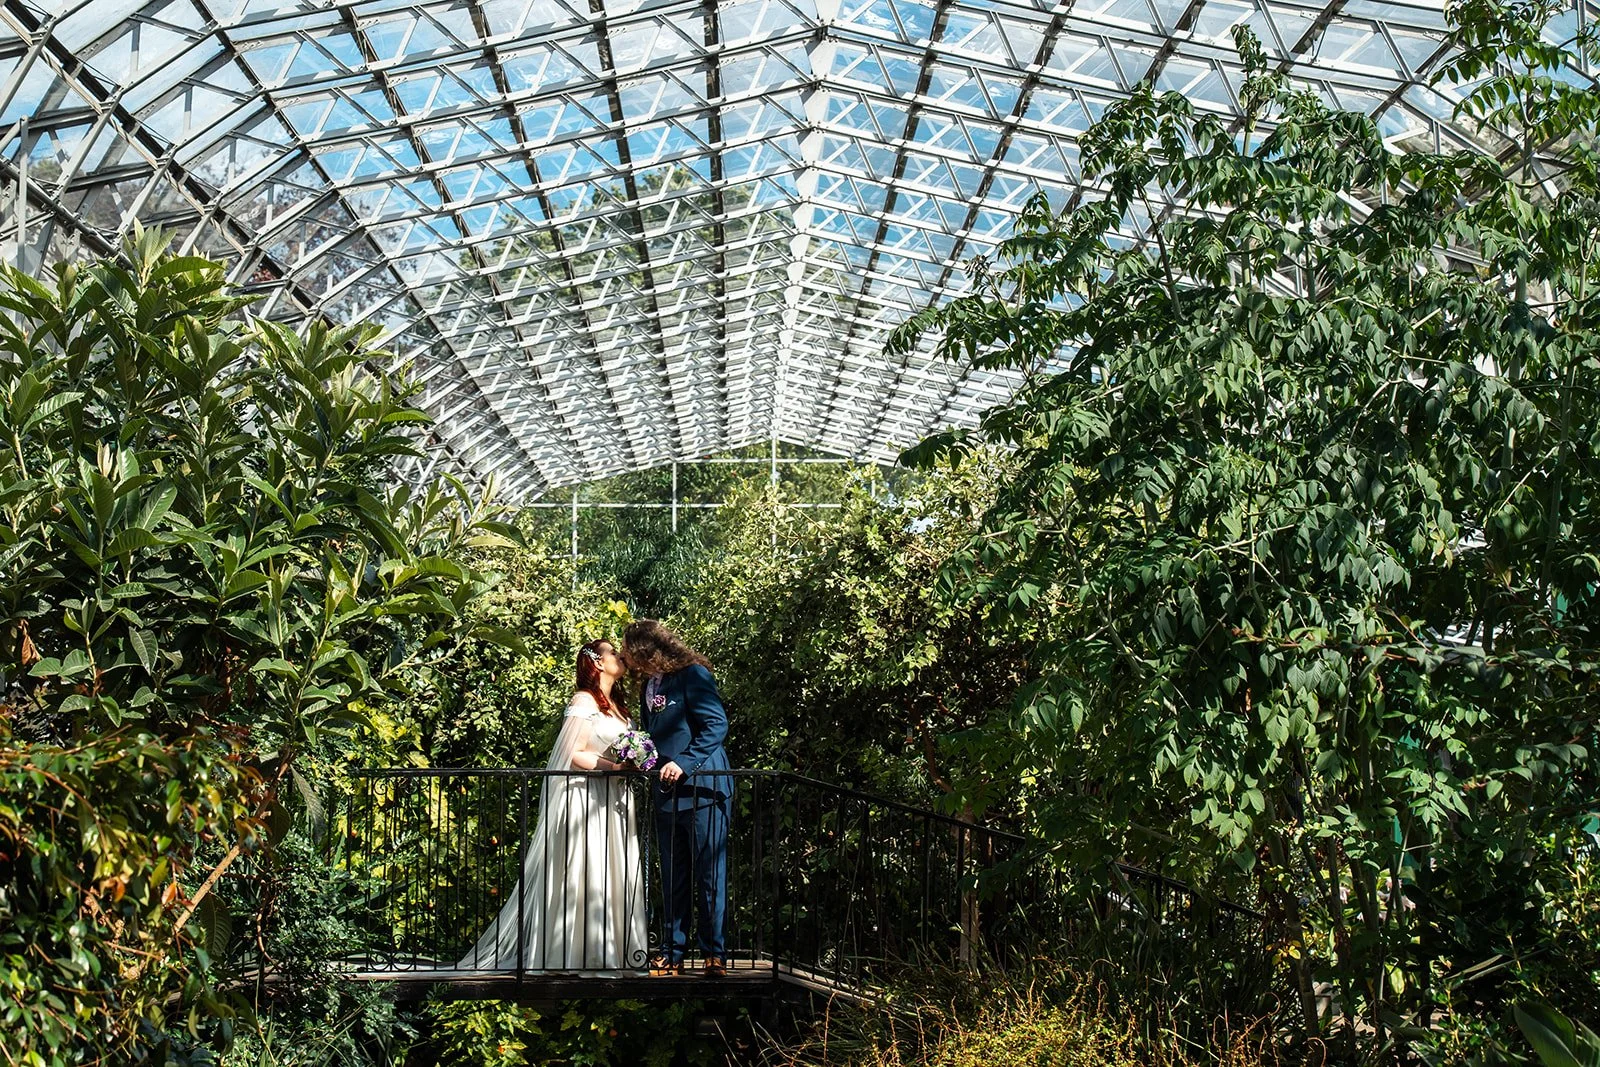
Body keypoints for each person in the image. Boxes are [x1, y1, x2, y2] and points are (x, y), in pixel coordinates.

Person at [459, 639, 647, 974]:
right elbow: (573, 753)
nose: (621, 656)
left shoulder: (618, 706)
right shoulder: (583, 700)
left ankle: (612, 952)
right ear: (598, 663)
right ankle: (573, 955)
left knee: (612, 870)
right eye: (613, 653)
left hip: (615, 799)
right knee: (586, 871)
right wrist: (614, 768)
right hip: (586, 797)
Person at [622, 619, 731, 978]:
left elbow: (716, 724)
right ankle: (672, 953)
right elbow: (654, 736)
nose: (628, 660)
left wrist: (684, 764)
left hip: (704, 790)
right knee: (673, 876)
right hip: (667, 793)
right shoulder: (650, 686)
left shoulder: (693, 674)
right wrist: (641, 758)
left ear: (647, 650)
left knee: (709, 875)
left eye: (631, 652)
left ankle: (714, 954)